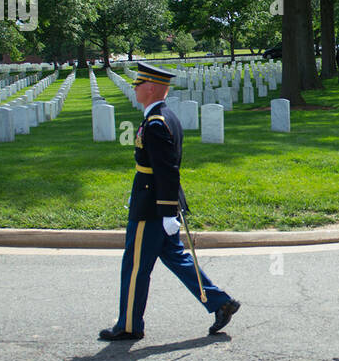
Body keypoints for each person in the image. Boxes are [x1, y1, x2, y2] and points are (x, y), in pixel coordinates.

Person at [99, 61, 239, 342]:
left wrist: (165, 213)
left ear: (150, 88)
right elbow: (155, 166)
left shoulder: (157, 123)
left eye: (138, 84)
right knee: (177, 259)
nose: (135, 88)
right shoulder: (164, 117)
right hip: (157, 201)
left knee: (136, 266)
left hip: (152, 207)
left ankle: (128, 325)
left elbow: (166, 170)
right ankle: (220, 301)